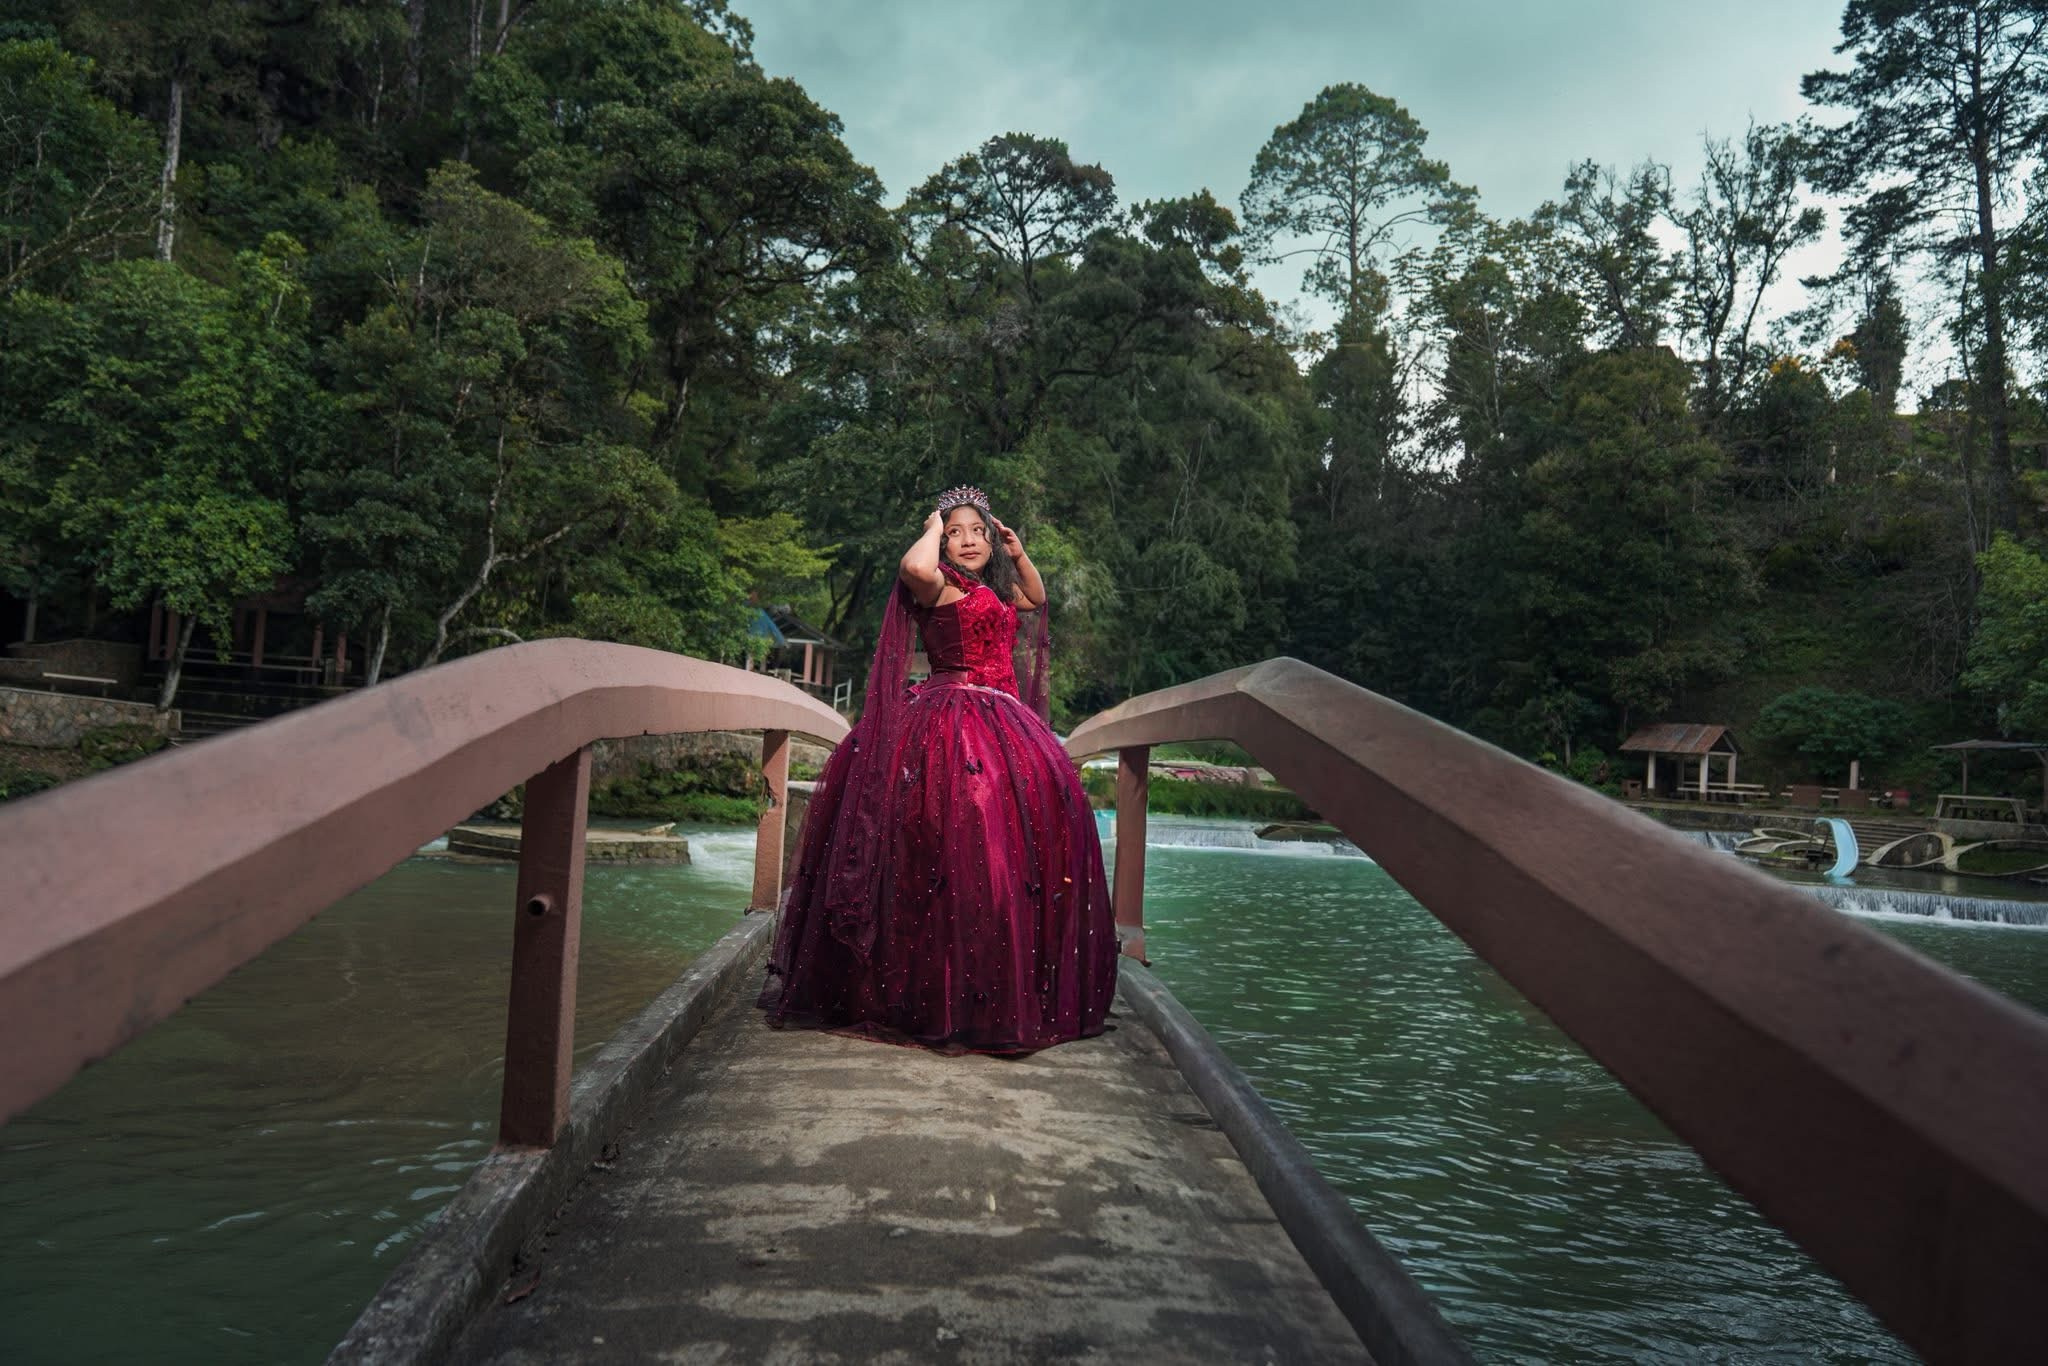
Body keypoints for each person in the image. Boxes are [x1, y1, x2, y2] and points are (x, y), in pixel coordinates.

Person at [757, 485, 1118, 1053]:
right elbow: (911, 565)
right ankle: (939, 989)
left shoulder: (988, 589)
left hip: (1005, 719)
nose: (968, 540)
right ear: (943, 543)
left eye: (977, 530)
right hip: (951, 714)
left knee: (1018, 843)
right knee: (957, 840)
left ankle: (997, 984)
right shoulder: (936, 582)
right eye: (957, 532)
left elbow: (1033, 598)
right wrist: (932, 528)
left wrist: (1017, 553)